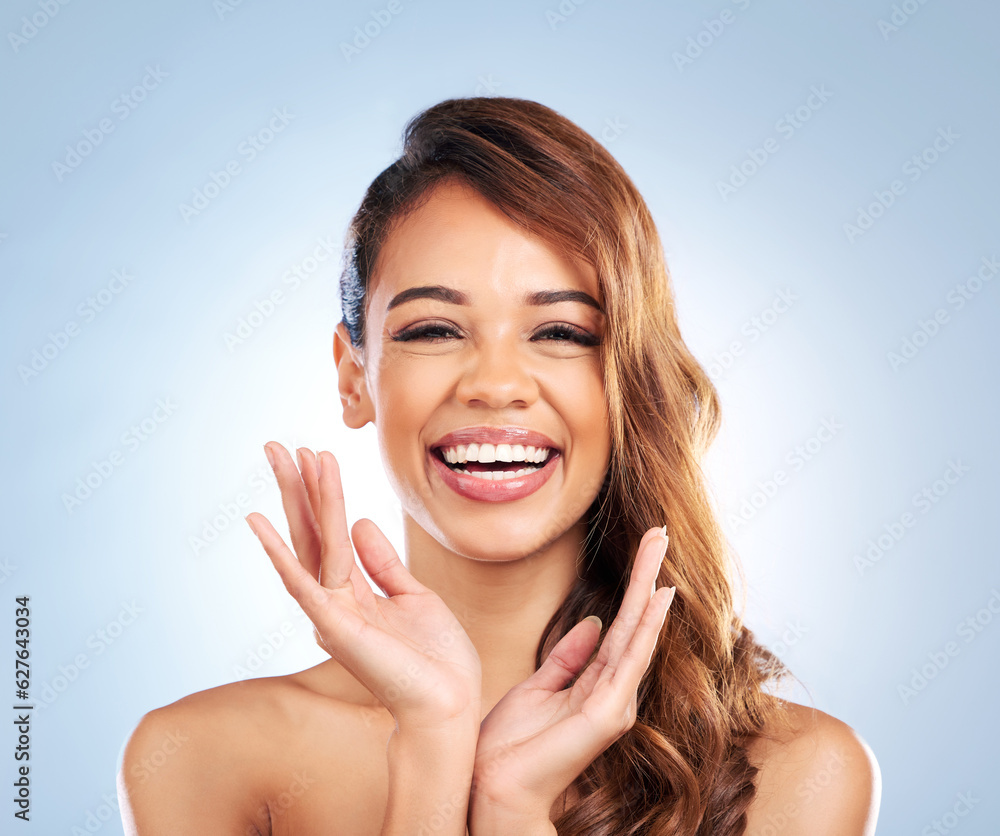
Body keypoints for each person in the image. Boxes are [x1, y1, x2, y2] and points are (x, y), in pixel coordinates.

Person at [117, 96, 881, 835]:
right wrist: (432, 746)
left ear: (628, 377)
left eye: (560, 332)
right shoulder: (202, 758)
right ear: (354, 377)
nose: (495, 384)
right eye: (434, 329)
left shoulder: (796, 771)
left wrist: (512, 811)